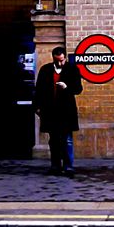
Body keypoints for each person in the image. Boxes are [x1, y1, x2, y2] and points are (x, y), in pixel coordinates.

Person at [34, 45, 83, 175]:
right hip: (50, 110)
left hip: (66, 111)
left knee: (67, 139)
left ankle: (68, 166)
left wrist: (67, 87)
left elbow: (78, 89)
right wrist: (37, 107)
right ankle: (55, 166)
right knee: (54, 140)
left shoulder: (72, 69)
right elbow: (38, 89)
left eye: (62, 60)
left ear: (65, 57)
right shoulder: (45, 70)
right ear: (53, 58)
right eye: (57, 60)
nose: (60, 63)